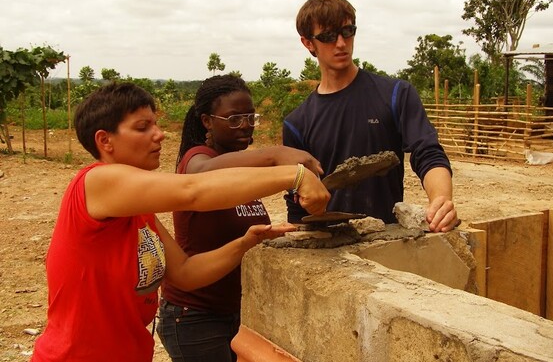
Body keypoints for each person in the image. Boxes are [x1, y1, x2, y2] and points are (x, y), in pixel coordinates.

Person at [30, 82, 330, 362]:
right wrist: (293, 174)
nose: (159, 134)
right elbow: (192, 192)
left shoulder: (137, 213)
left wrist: (245, 242)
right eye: (142, 127)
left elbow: (186, 273)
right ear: (104, 140)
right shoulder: (95, 181)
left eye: (155, 124)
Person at [157, 75, 323, 362]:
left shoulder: (242, 170)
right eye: (234, 119)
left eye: (250, 117)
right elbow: (201, 174)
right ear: (208, 121)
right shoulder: (197, 159)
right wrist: (277, 155)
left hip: (235, 312)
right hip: (197, 316)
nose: (246, 125)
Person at [283, 0, 458, 232]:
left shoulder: (395, 94)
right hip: (328, 250)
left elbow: (427, 152)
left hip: (387, 240)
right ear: (308, 43)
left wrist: (441, 201)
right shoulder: (297, 123)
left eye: (347, 31)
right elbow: (297, 202)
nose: (341, 43)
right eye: (328, 37)